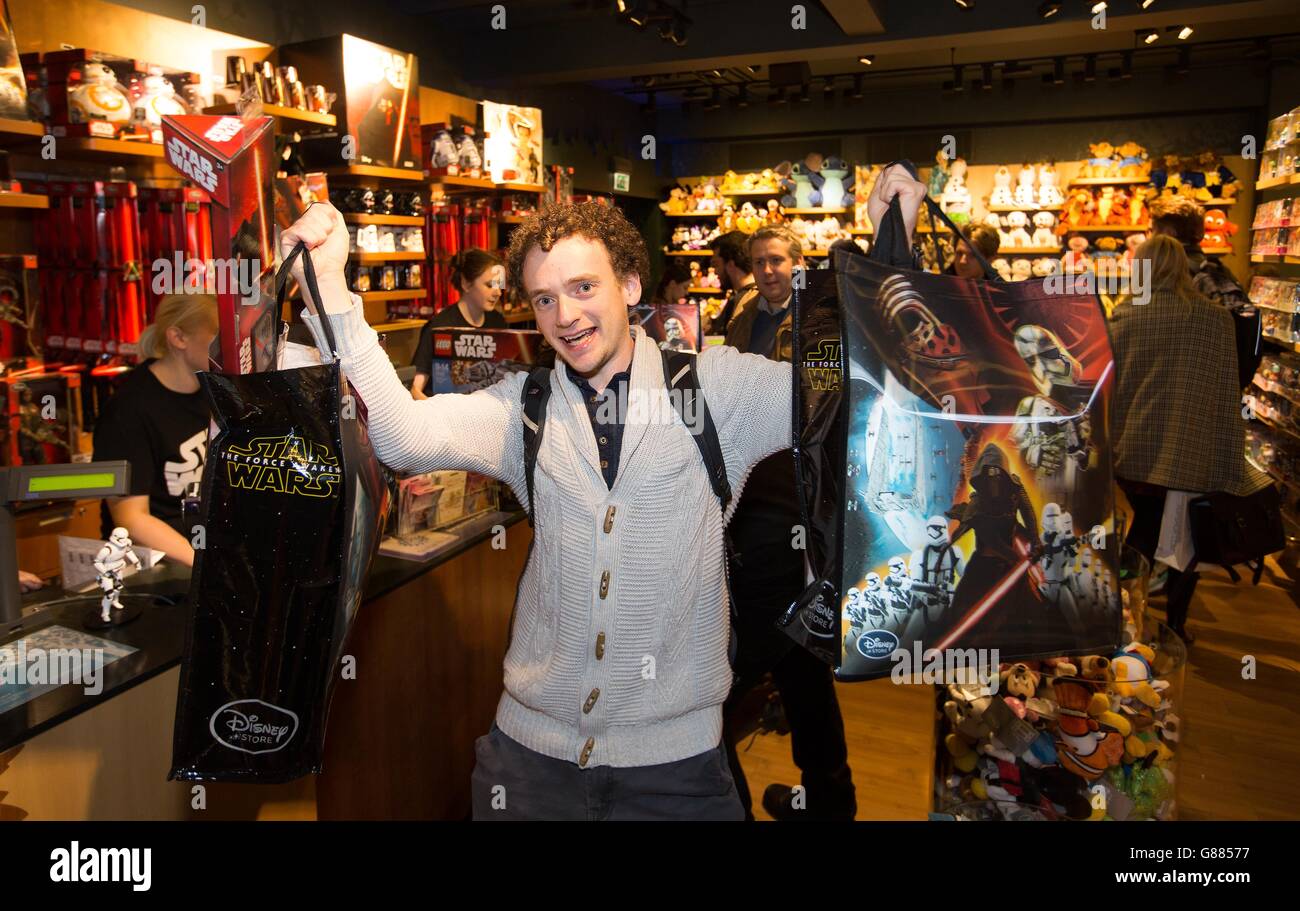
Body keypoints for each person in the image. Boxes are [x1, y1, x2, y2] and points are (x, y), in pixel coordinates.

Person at [279, 165, 925, 821]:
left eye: (583, 287)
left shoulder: (715, 390)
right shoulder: (525, 406)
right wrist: (329, 287)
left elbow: (859, 397)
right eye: (544, 298)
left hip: (675, 771)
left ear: (631, 284)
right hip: (530, 766)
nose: (566, 314)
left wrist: (891, 252)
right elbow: (402, 434)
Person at [721, 223, 856, 820]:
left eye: (777, 259)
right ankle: (830, 802)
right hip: (756, 499)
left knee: (742, 675)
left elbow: (832, 409)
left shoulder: (824, 320)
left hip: (803, 506)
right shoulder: (741, 319)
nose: (768, 269)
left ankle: (747, 804)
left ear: (798, 263)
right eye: (759, 261)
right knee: (802, 666)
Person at [1109, 235, 1272, 644]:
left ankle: (1126, 618)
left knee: (1143, 530)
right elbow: (1225, 388)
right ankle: (1176, 626)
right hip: (1193, 447)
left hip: (1138, 449)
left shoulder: (1124, 317)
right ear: (1183, 267)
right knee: (1188, 541)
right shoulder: (1214, 318)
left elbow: (1111, 387)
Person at [92, 294, 216, 568]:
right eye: (217, 338)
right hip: (154, 570)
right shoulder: (128, 409)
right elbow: (132, 518)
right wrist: (203, 567)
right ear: (178, 338)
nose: (227, 347)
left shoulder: (212, 391)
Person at [1148, 195, 1260, 388]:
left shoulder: (1167, 275)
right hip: (1221, 392)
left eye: (1152, 230)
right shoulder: (1221, 273)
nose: (1147, 236)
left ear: (1168, 232)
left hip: (1179, 391)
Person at [410, 249, 507, 399]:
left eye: (499, 285)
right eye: (489, 285)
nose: (498, 293)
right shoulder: (440, 326)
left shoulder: (498, 322)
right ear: (466, 284)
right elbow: (415, 390)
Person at [705, 230, 756, 336]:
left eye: (716, 264)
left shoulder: (743, 301)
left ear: (731, 264)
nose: (715, 271)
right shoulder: (752, 296)